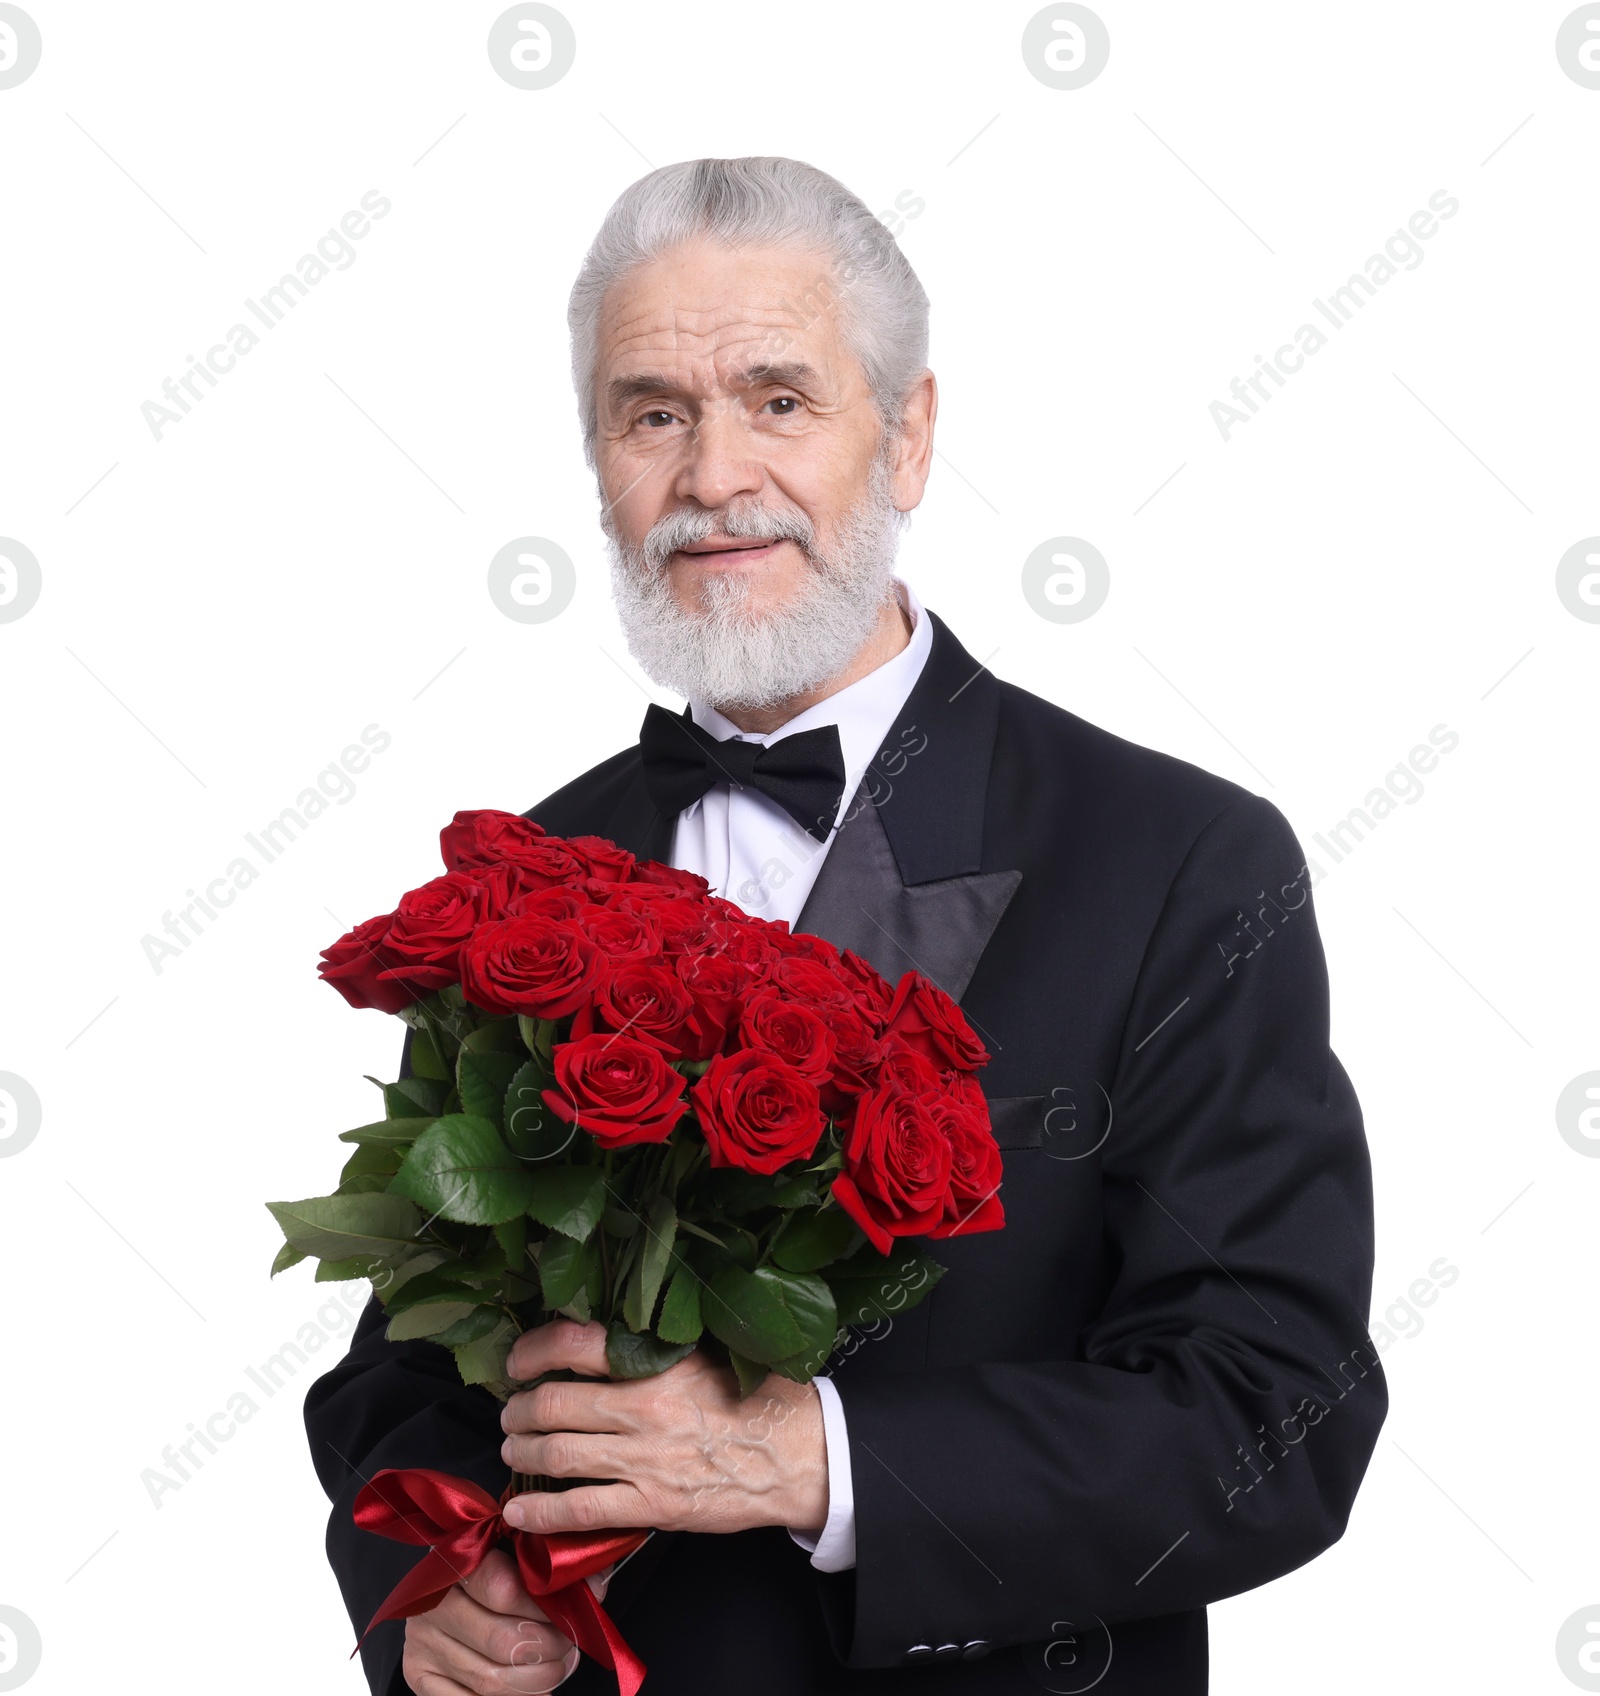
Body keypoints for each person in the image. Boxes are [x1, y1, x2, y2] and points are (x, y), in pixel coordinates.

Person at [305, 156, 1384, 1696]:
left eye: (780, 400)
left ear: (911, 436)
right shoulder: (534, 870)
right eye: (654, 411)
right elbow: (401, 1375)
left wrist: (808, 1460)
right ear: (599, 459)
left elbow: (1275, 1413)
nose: (714, 475)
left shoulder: (1180, 862)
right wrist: (432, 1581)